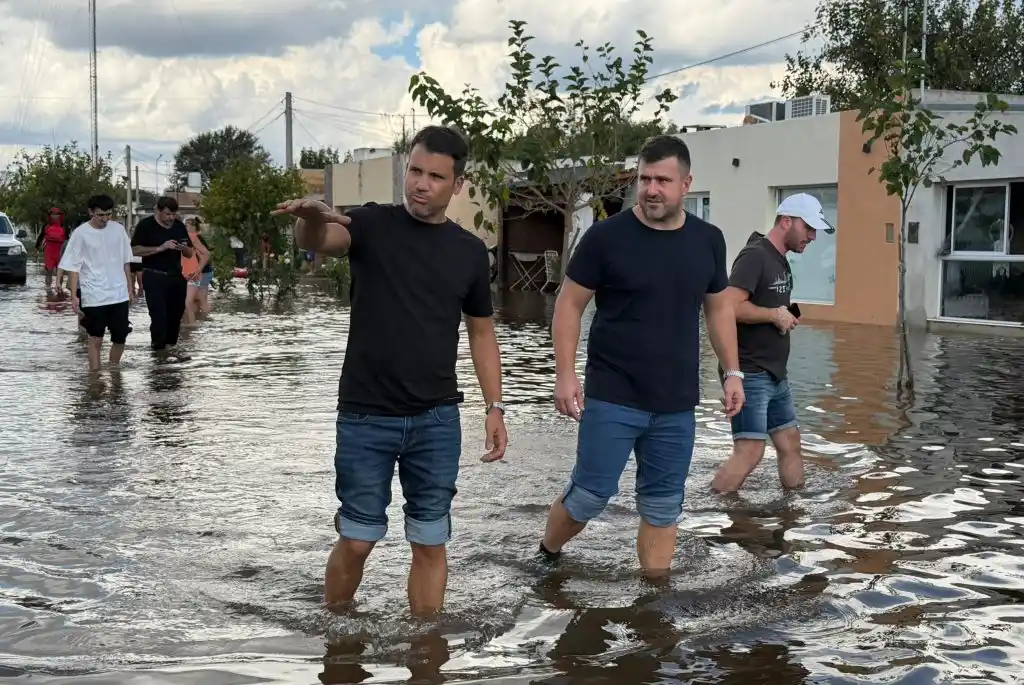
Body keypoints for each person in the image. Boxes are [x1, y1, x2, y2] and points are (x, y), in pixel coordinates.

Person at [271, 125, 508, 618]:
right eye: (415, 171)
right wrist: (311, 219)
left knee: (430, 541)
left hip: (437, 421)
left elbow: (481, 334)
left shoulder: (468, 253)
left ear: (457, 186)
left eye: (436, 177)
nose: (421, 184)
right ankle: (335, 630)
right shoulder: (371, 225)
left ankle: (426, 651)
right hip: (365, 416)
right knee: (358, 538)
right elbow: (320, 238)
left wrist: (495, 406)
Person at [541, 135, 745, 576]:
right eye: (644, 179)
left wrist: (732, 372)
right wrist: (564, 373)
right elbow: (569, 304)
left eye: (662, 181)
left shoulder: (708, 240)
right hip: (613, 393)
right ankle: (547, 553)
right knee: (589, 497)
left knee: (663, 505)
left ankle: (654, 605)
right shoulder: (606, 237)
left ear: (686, 184)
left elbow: (718, 308)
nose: (651, 189)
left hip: (675, 401)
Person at [710, 193, 834, 494]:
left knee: (790, 442)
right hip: (750, 372)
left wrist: (785, 315)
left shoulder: (779, 260)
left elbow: (769, 308)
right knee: (750, 452)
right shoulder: (755, 256)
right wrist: (772, 315)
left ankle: (795, 511)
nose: (813, 236)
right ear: (786, 221)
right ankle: (709, 510)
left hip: (776, 373)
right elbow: (727, 307)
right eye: (808, 228)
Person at [57, 194, 134, 371]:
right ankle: (95, 376)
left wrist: (130, 288)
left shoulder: (118, 230)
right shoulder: (81, 234)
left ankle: (114, 370)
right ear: (91, 212)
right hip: (93, 294)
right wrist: (74, 297)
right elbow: (73, 267)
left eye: (108, 214)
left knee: (120, 336)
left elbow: (126, 261)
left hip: (118, 293)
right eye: (100, 215)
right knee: (96, 337)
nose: (105, 219)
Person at [130, 197, 193, 355]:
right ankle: (158, 354)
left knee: (175, 316)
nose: (170, 218)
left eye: (173, 214)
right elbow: (134, 250)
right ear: (157, 210)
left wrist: (182, 248)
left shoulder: (178, 226)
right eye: (167, 214)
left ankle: (170, 352)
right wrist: (160, 248)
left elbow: (190, 252)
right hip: (153, 276)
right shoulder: (145, 225)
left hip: (176, 277)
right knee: (159, 317)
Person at [182, 217, 212, 326]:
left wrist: (198, 269)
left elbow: (206, 254)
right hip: (183, 274)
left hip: (195, 274)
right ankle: (189, 324)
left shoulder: (192, 237)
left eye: (186, 225)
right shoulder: (179, 237)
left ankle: (194, 324)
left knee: (191, 301)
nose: (184, 227)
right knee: (190, 301)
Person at [38, 207, 67, 291]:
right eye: (53, 214)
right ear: (50, 215)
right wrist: (38, 247)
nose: (55, 216)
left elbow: (68, 240)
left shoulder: (64, 226)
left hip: (60, 252)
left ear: (60, 215)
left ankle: (59, 288)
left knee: (60, 272)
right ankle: (48, 289)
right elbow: (40, 237)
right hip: (49, 251)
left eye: (57, 214)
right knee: (49, 271)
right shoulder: (46, 226)